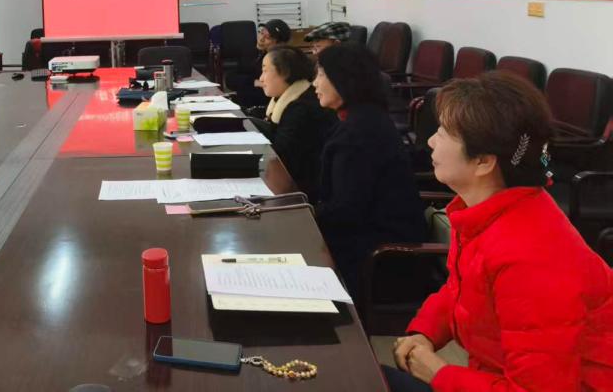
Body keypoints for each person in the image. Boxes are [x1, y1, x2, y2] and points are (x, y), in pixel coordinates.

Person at [385, 72, 613, 392]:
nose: (432, 141)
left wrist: (439, 374)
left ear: (483, 161)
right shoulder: (487, 211)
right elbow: (463, 288)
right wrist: (425, 332)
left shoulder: (530, 258)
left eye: (443, 133)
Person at [312, 44, 425, 297]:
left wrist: (303, 215)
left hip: (381, 257)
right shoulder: (361, 117)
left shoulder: (359, 133)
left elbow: (346, 211)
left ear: (343, 79)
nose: (315, 83)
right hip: (367, 239)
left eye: (320, 75)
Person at [251, 47, 335, 200]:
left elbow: (281, 155)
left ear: (285, 73)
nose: (261, 79)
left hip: (308, 193)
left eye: (265, 71)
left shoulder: (302, 109)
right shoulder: (293, 98)